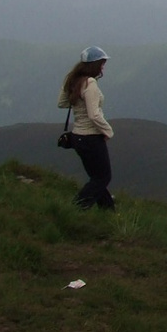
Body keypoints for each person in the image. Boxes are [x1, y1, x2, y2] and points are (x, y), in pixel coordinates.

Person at [57, 46, 115, 210]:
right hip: (91, 138)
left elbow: (62, 103)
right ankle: (77, 207)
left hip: (77, 137)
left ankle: (109, 212)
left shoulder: (74, 81)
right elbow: (94, 115)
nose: (103, 67)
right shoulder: (91, 84)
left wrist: (72, 89)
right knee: (103, 177)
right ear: (94, 65)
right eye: (102, 64)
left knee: (96, 177)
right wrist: (108, 131)